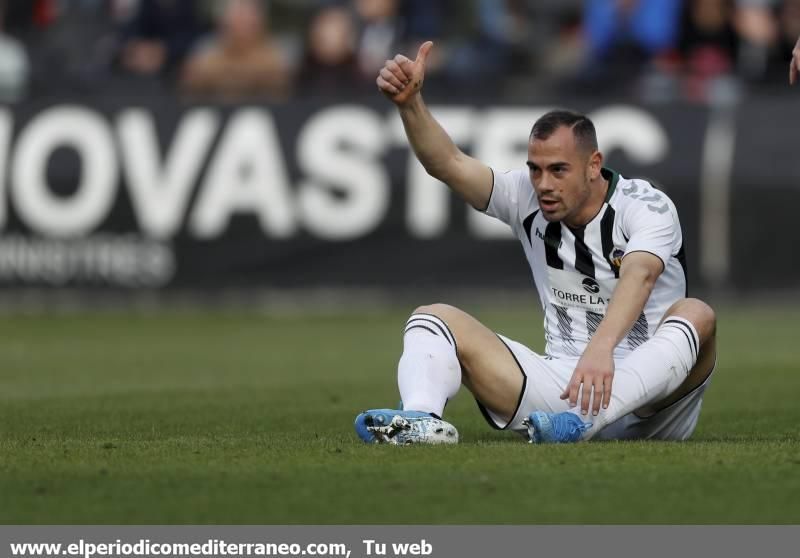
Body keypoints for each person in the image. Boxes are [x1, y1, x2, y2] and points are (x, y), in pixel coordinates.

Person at [354, 41, 717, 445]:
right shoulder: (524, 196)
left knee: (697, 313)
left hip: (653, 399)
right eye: (535, 169)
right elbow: (450, 163)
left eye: (558, 170)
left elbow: (641, 275)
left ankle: (581, 424)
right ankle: (420, 419)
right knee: (432, 318)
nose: (543, 184)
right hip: (563, 386)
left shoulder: (645, 205)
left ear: (593, 165)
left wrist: (600, 350)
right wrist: (410, 104)